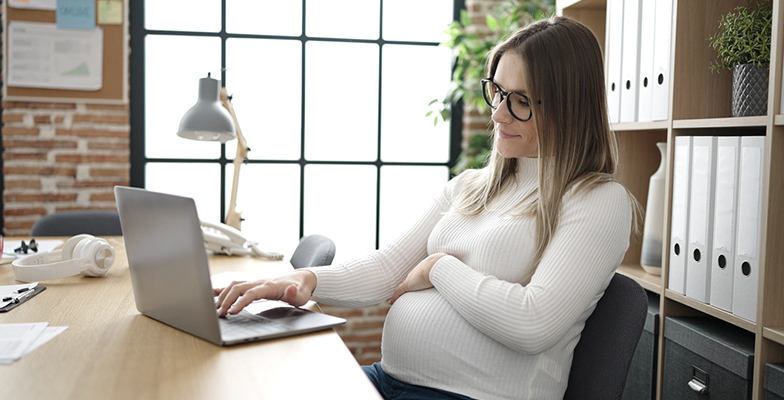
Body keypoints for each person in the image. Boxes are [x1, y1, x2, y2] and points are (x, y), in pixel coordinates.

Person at [215, 15, 640, 400]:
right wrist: (303, 279)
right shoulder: (471, 186)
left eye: (522, 101)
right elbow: (387, 269)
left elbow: (532, 324)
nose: (498, 116)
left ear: (570, 106)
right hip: (388, 380)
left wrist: (437, 267)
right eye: (497, 92)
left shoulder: (597, 201)